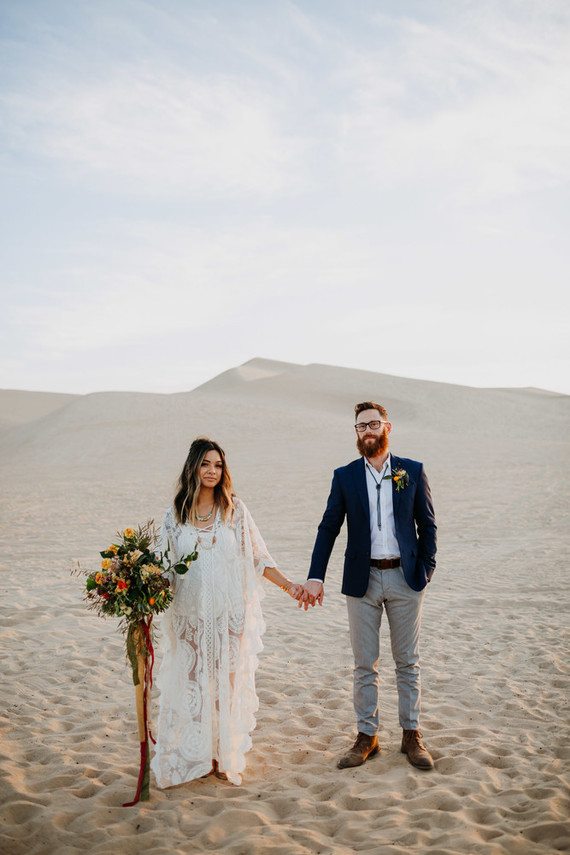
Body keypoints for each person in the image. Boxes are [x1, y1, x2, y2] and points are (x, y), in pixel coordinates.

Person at [151, 437, 302, 787]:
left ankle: (221, 756)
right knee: (193, 689)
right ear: (193, 467)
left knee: (225, 687)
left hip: (229, 613)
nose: (212, 471)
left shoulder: (234, 509)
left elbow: (258, 557)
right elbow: (163, 569)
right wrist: (140, 597)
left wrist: (290, 585)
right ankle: (198, 754)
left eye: (218, 465)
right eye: (206, 464)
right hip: (189, 615)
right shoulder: (174, 517)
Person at [300, 402, 437, 770]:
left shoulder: (412, 470)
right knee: (365, 664)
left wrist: (426, 571)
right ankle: (367, 736)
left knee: (407, 662)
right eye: (361, 426)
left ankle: (411, 735)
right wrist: (316, 576)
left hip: (405, 579)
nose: (368, 431)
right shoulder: (345, 476)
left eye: (374, 424)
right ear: (356, 433)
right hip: (361, 581)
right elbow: (328, 527)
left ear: (387, 426)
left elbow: (428, 524)